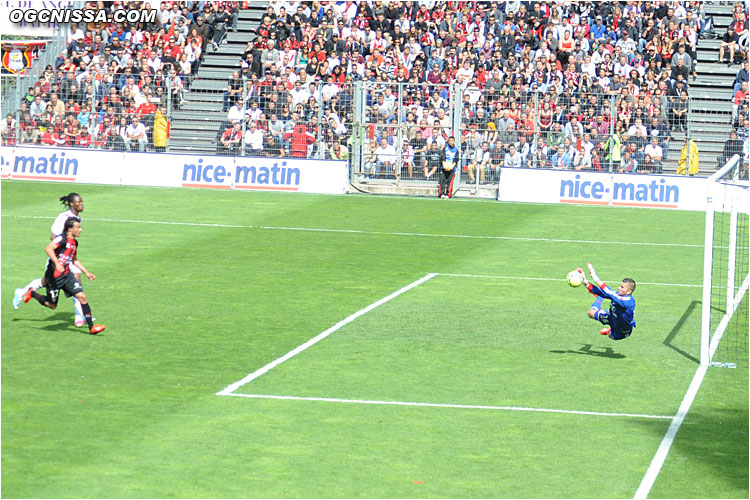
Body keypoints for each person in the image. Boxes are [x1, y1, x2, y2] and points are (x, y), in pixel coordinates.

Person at [13, 193, 94, 327]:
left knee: (75, 285)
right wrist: (61, 252)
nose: (82, 204)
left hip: (68, 257)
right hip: (58, 258)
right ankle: (23, 292)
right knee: (48, 285)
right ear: (71, 204)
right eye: (79, 202)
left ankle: (80, 317)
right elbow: (53, 237)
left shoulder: (77, 218)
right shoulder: (63, 218)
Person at [18, 217, 105, 335]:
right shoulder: (62, 238)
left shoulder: (75, 242)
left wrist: (86, 272)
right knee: (52, 305)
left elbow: (74, 259)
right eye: (78, 227)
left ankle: (92, 327)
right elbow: (48, 249)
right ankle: (32, 292)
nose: (81, 230)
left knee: (82, 297)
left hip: (67, 276)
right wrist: (58, 264)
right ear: (70, 229)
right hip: (53, 277)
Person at [575, 263, 636, 340]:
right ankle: (600, 298)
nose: (618, 288)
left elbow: (608, 291)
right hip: (611, 317)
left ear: (629, 292)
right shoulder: (618, 295)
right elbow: (605, 292)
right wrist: (585, 281)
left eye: (622, 287)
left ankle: (609, 331)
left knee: (612, 336)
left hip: (620, 331)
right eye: (620, 285)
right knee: (590, 313)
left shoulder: (628, 302)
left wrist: (594, 276)